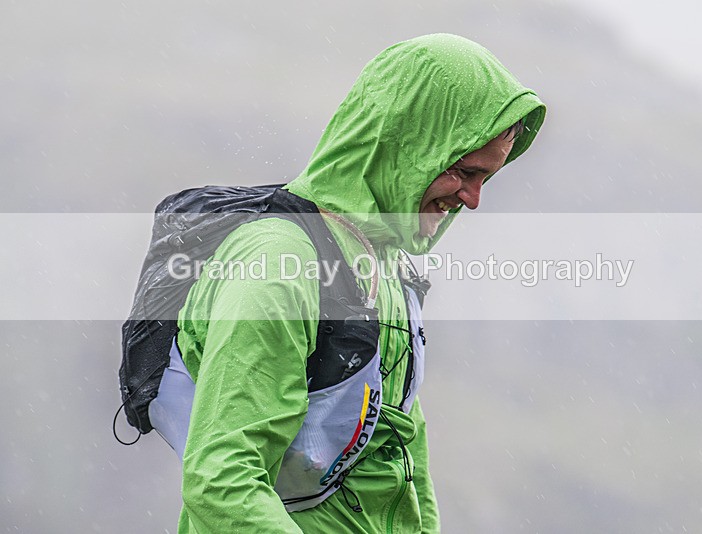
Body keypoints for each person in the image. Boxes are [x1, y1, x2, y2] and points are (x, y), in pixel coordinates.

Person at [170, 33, 546, 533]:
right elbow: (220, 479)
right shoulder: (279, 265)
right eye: (463, 172)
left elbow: (400, 448)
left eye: (487, 179)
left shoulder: (385, 266)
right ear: (405, 148)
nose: (473, 199)